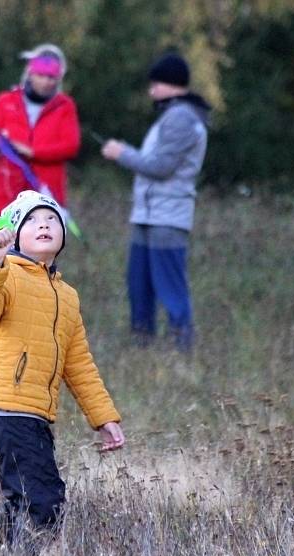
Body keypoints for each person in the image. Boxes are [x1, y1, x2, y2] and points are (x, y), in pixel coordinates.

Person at [0, 190, 124, 552]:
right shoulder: (5, 273)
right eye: (33, 220)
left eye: (52, 219)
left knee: (28, 501)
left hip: (35, 412)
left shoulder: (67, 296)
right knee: (45, 501)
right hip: (5, 406)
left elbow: (78, 362)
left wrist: (103, 417)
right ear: (15, 234)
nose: (44, 225)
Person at [101, 51, 210, 352]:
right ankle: (141, 345)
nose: (151, 91)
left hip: (167, 217)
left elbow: (160, 167)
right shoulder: (172, 116)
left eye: (155, 84)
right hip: (148, 215)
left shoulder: (182, 119)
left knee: (170, 288)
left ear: (172, 84)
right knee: (139, 286)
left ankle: (182, 347)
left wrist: (120, 153)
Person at [0, 44, 81, 219]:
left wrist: (33, 153)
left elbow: (70, 146)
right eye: (41, 75)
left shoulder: (64, 106)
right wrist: (1, 143)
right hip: (7, 194)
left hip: (46, 194)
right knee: (3, 245)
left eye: (51, 77)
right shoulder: (6, 101)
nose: (46, 82)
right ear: (30, 74)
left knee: (42, 243)